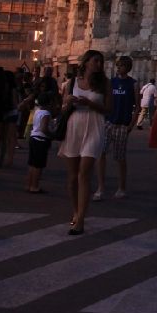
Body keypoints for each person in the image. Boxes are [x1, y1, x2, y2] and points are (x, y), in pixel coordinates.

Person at [60, 50, 111, 235]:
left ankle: (81, 219)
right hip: (74, 126)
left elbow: (108, 109)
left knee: (84, 174)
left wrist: (90, 104)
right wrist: (68, 101)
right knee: (72, 177)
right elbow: (63, 107)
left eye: (100, 61)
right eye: (96, 61)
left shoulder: (104, 83)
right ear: (86, 62)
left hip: (95, 126)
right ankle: (76, 211)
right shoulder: (72, 82)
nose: (99, 64)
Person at [94, 56, 136, 200]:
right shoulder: (111, 83)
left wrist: (131, 124)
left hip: (122, 124)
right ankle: (100, 187)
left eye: (122, 66)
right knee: (101, 153)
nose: (119, 68)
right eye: (118, 66)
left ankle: (121, 187)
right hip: (109, 122)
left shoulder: (132, 84)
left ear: (128, 67)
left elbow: (136, 106)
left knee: (120, 157)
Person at [25, 90, 57, 194]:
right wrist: (52, 135)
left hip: (33, 137)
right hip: (41, 139)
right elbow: (44, 128)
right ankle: (35, 186)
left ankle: (30, 184)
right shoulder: (46, 113)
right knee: (38, 165)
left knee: (32, 163)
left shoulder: (37, 111)